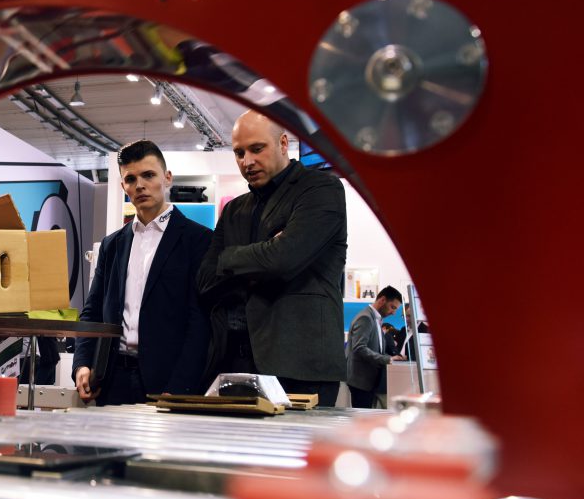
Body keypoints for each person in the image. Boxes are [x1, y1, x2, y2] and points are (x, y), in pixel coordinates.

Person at [198, 111, 348, 406]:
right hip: (235, 362)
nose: (247, 162)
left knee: (297, 452)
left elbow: (284, 260)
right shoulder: (234, 210)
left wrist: (231, 260)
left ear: (282, 143)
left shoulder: (321, 189)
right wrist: (263, 252)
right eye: (239, 153)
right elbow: (204, 279)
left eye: (257, 149)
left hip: (300, 362)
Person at [73, 140, 212, 405]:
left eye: (148, 175)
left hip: (169, 383)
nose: (140, 185)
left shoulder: (199, 240)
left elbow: (201, 322)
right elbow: (92, 312)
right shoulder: (112, 244)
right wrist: (82, 365)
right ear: (123, 185)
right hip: (111, 380)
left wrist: (181, 386)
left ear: (167, 177)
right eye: (130, 178)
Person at [346, 285, 406, 408]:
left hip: (370, 381)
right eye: (392, 307)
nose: (394, 312)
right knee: (361, 421)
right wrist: (387, 359)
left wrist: (391, 357)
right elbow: (359, 348)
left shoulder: (377, 319)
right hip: (361, 382)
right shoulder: (365, 318)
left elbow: (375, 348)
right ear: (382, 300)